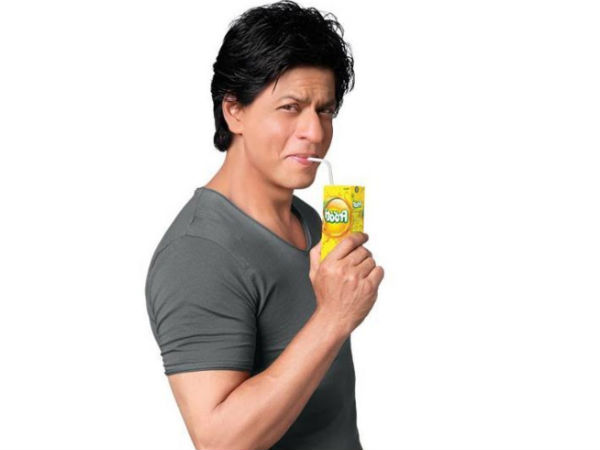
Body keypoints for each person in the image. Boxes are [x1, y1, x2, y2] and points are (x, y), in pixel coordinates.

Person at [144, 1, 385, 448]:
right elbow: (220, 441)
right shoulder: (199, 252)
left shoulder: (309, 219)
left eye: (325, 110)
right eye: (291, 107)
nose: (315, 132)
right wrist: (334, 316)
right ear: (234, 111)